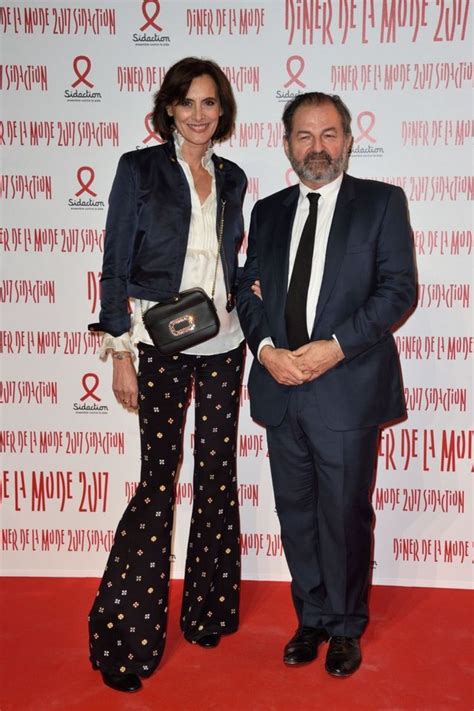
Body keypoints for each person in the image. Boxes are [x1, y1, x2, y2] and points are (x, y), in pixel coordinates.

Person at [237, 92, 416, 677]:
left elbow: (397, 290)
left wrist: (332, 348)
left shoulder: (382, 204)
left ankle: (344, 626)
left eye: (329, 134)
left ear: (348, 140)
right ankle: (310, 617)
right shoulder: (267, 211)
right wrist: (266, 352)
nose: (318, 147)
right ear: (286, 143)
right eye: (305, 136)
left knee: (342, 514)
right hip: (281, 388)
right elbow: (247, 291)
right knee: (296, 511)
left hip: (346, 387)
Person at [88, 57, 247, 693]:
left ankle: (208, 612)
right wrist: (119, 350)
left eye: (210, 103)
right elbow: (114, 262)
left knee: (216, 474)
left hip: (226, 342)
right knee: (159, 478)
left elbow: (237, 259)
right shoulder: (140, 169)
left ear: (222, 111)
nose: (199, 114)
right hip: (157, 342)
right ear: (169, 108)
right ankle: (129, 635)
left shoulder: (233, 178)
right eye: (188, 102)